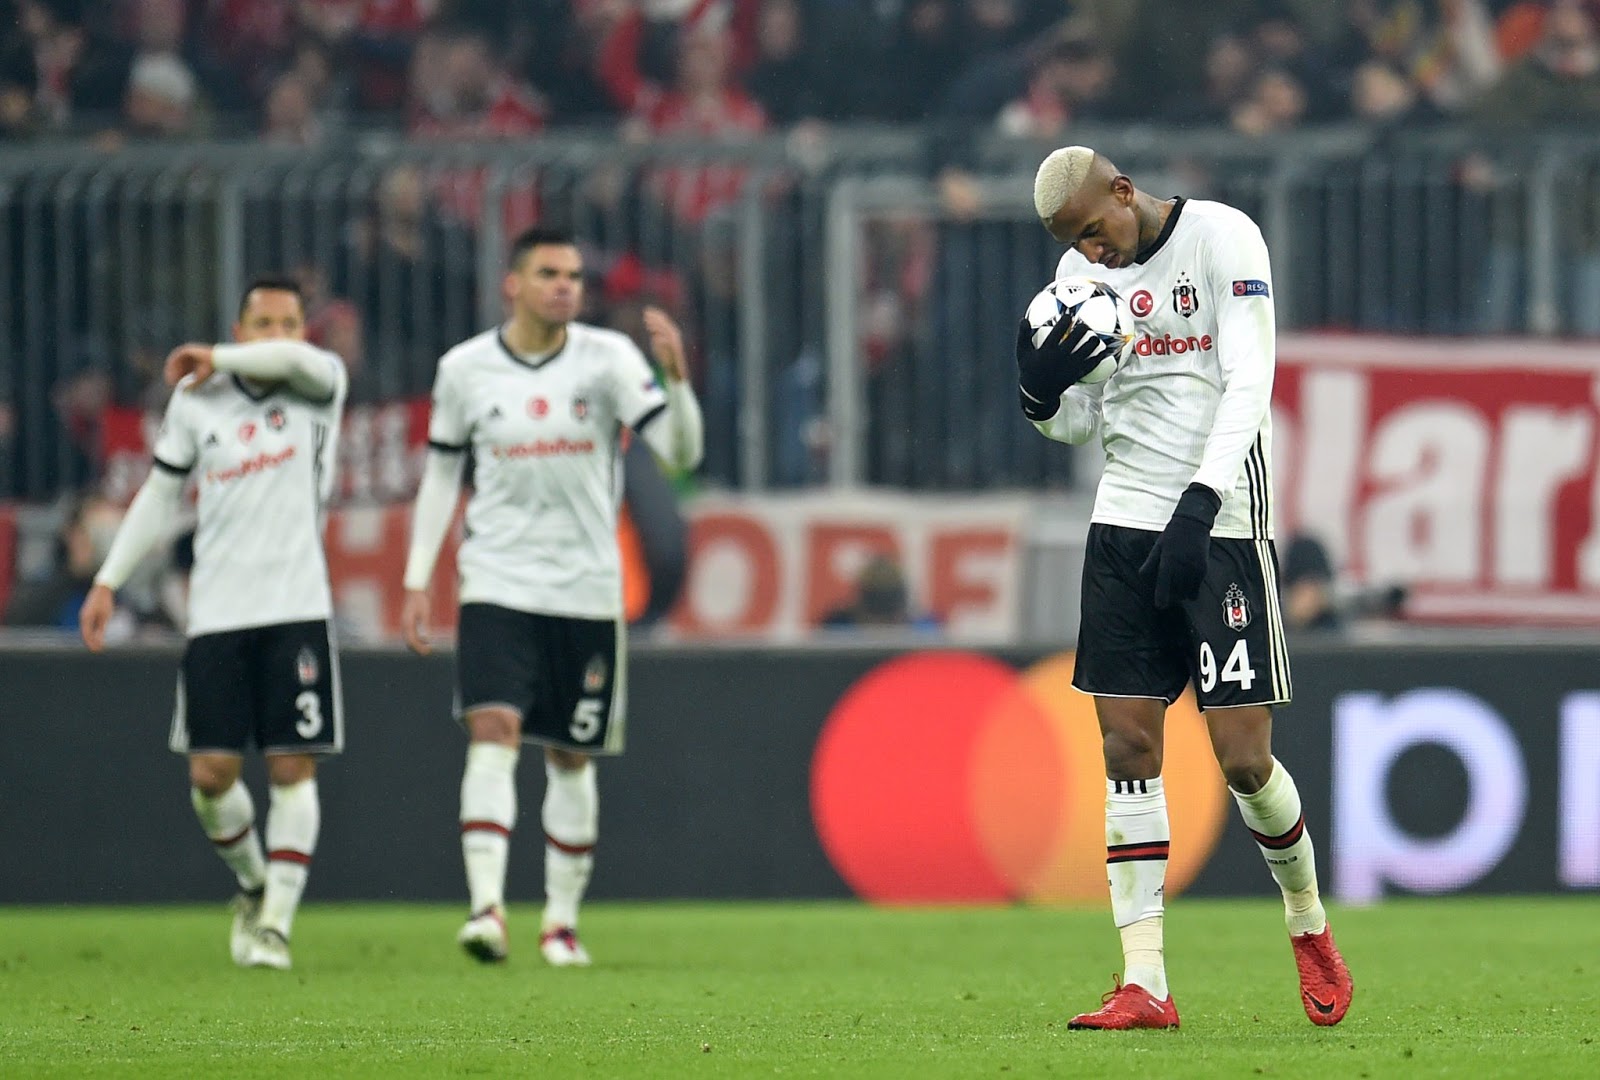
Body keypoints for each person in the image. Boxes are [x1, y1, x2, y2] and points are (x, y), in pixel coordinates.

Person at [1017, 146, 1352, 1030]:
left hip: (1223, 521)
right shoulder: (1080, 279)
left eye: (1095, 231)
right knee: (1127, 746)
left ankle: (1308, 923)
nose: (1091, 254)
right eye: (1074, 244)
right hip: (1123, 521)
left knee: (1243, 759)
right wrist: (1040, 396)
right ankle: (1146, 982)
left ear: (1124, 192)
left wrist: (1200, 504)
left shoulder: (1223, 238)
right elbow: (1079, 422)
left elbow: (1251, 380)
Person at [400, 227, 704, 967]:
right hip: (497, 578)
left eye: (573, 274)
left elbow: (682, 452)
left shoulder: (610, 359)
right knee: (494, 729)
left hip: (586, 586)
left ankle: (560, 924)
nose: (565, 285)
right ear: (514, 284)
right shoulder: (464, 370)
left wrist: (677, 382)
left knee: (571, 755)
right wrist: (416, 577)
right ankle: (486, 910)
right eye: (548, 273)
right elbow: (441, 474)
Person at [79, 277, 348, 972]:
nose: (277, 335)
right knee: (210, 775)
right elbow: (161, 492)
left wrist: (219, 356)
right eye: (263, 322)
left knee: (291, 765)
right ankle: (255, 884)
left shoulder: (319, 383)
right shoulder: (199, 400)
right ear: (240, 326)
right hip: (219, 611)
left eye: (289, 322)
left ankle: (277, 925)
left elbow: (290, 362)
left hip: (296, 606)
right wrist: (108, 579)